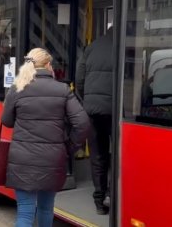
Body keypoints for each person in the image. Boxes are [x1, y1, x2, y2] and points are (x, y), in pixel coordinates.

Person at [1, 48, 90, 227]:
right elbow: (82, 123)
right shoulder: (62, 89)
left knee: (25, 213)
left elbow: (7, 121)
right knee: (46, 209)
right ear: (48, 65)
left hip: (22, 160)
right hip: (53, 159)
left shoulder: (17, 88)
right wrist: (69, 147)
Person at [75, 27, 113, 215]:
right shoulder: (127, 47)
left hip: (93, 110)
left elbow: (79, 78)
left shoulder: (91, 48)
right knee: (120, 155)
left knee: (98, 155)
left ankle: (99, 202)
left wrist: (87, 100)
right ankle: (114, 196)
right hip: (117, 110)